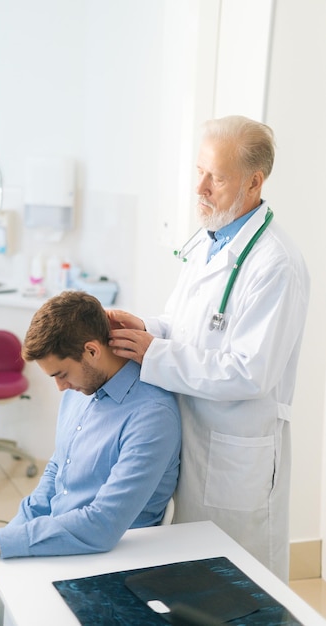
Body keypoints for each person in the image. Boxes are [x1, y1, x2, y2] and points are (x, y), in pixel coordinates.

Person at [108, 115, 310, 582]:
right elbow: (190, 328)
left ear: (254, 182)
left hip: (235, 454)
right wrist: (146, 328)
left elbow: (248, 372)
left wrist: (151, 353)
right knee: (188, 579)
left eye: (215, 177)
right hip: (193, 436)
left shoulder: (276, 265)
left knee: (235, 585)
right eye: (199, 170)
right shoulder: (209, 238)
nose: (200, 187)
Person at [0, 291, 181, 626]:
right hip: (46, 543)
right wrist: (6, 541)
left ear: (92, 351)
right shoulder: (81, 392)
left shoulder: (151, 414)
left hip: (92, 566)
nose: (59, 387)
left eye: (61, 374)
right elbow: (55, 475)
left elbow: (102, 525)